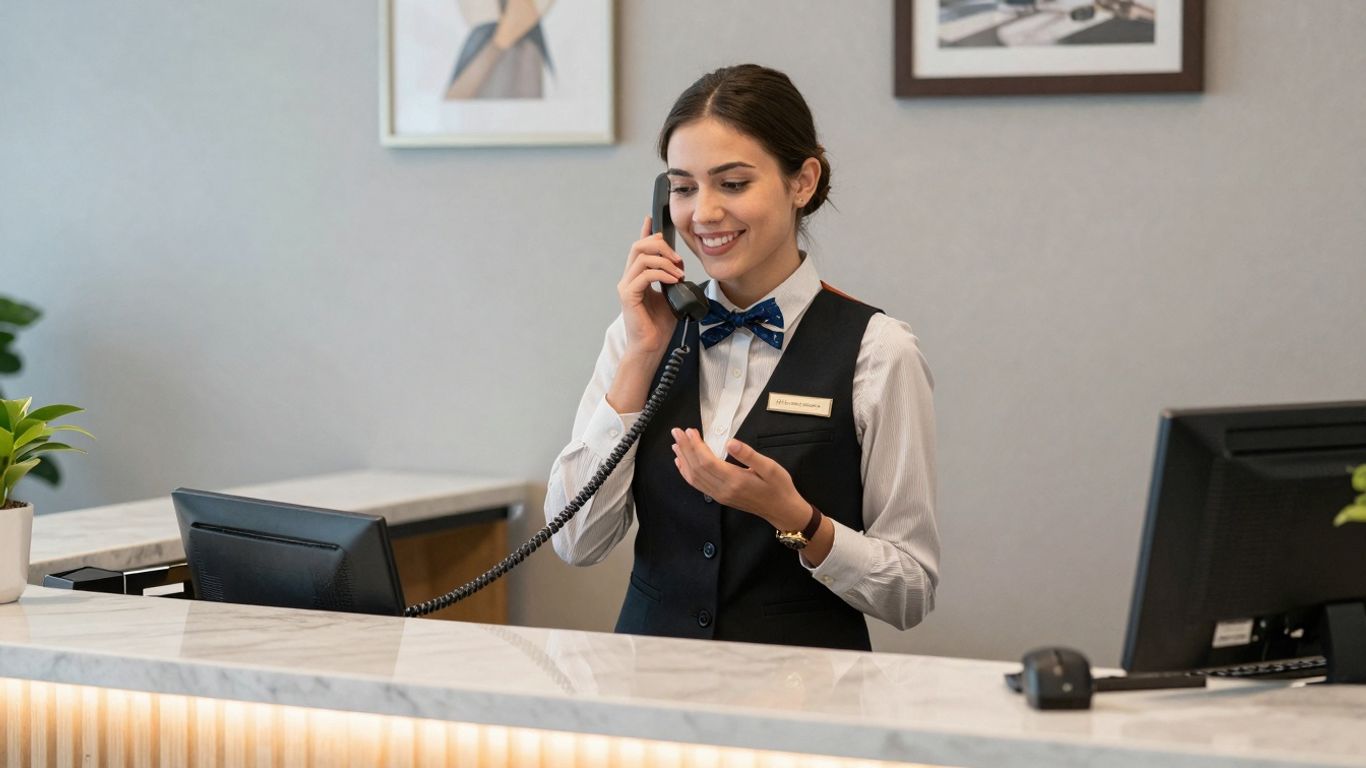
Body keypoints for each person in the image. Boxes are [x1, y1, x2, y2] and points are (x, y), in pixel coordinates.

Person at [544, 64, 939, 651]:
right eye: (682, 187)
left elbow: (910, 590)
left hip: (804, 707)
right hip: (649, 695)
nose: (702, 213)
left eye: (732, 184)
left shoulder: (879, 352)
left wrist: (799, 522)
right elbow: (575, 542)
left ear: (802, 181)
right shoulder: (640, 336)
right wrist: (639, 357)